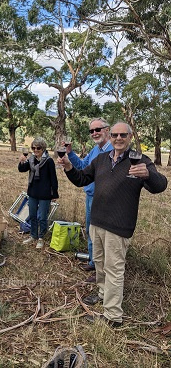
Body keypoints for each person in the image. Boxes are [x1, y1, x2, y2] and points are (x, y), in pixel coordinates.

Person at [58, 122, 167, 326]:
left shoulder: (139, 160)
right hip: (97, 221)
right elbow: (82, 179)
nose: (118, 138)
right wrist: (69, 167)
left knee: (114, 268)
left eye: (122, 135)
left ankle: (112, 316)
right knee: (99, 262)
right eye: (115, 135)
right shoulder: (101, 159)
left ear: (130, 136)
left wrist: (149, 175)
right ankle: (102, 292)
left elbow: (160, 186)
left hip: (119, 226)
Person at [65, 118, 113, 281]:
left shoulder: (114, 150)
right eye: (91, 131)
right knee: (91, 231)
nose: (94, 133)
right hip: (90, 196)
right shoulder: (95, 150)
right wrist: (70, 153)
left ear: (107, 130)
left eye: (97, 129)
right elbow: (81, 167)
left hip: (104, 199)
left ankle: (101, 270)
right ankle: (94, 262)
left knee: (101, 235)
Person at [18, 137, 59, 249]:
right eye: (33, 148)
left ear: (43, 148)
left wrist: (54, 194)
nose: (35, 150)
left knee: (42, 217)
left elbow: (53, 178)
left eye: (38, 148)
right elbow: (22, 170)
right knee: (32, 215)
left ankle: (41, 238)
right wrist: (21, 162)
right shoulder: (31, 159)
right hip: (33, 192)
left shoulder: (49, 161)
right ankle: (33, 235)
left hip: (45, 194)